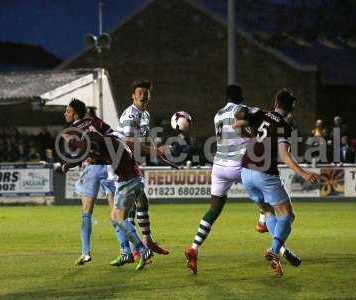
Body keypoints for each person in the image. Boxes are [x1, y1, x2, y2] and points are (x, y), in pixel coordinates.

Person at [184, 85, 300, 275]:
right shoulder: (243, 110)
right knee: (267, 204)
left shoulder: (217, 115)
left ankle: (194, 248)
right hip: (241, 164)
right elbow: (254, 129)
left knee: (213, 209)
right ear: (242, 97)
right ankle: (276, 243)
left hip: (219, 166)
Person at [234, 89, 318, 276]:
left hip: (246, 172)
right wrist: (304, 174)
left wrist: (250, 138)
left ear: (275, 102)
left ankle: (281, 249)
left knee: (268, 211)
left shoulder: (261, 114)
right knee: (287, 215)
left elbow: (236, 125)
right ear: (291, 109)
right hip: (265, 174)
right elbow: (284, 155)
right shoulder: (284, 126)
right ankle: (274, 250)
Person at [63, 131, 154, 270]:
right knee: (118, 218)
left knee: (118, 218)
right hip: (136, 179)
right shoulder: (111, 142)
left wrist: (70, 164)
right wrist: (70, 164)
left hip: (127, 182)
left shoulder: (106, 148)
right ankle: (129, 252)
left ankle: (143, 250)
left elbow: (93, 157)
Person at [61, 98, 131, 266]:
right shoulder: (96, 121)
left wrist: (67, 165)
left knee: (86, 213)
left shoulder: (70, 131)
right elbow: (113, 136)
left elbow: (80, 153)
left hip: (91, 168)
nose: (65, 113)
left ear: (75, 114)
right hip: (109, 168)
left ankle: (85, 253)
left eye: (68, 111)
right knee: (116, 213)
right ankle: (126, 251)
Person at [114, 80, 169, 257]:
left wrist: (157, 153)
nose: (143, 95)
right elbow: (128, 142)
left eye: (146, 93)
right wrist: (153, 151)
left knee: (140, 203)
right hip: (121, 163)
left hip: (130, 163)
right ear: (133, 96)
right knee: (127, 210)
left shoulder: (144, 115)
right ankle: (140, 247)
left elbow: (145, 138)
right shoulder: (131, 115)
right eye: (139, 92)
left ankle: (142, 244)